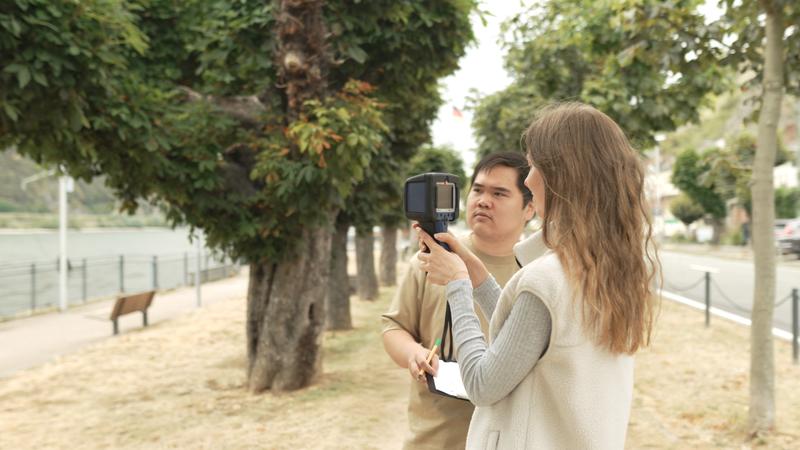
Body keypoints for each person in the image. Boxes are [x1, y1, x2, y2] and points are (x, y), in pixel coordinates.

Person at [417, 102, 659, 449]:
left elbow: (482, 385)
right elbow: (533, 338)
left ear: (562, 177)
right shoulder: (611, 269)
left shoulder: (545, 279)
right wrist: (478, 278)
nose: (528, 181)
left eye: (533, 167)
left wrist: (457, 285)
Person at [381, 152, 534, 450]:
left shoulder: (536, 272)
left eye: (499, 193)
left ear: (529, 208)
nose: (483, 200)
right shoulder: (431, 259)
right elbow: (393, 326)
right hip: (433, 438)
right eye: (477, 190)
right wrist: (413, 353)